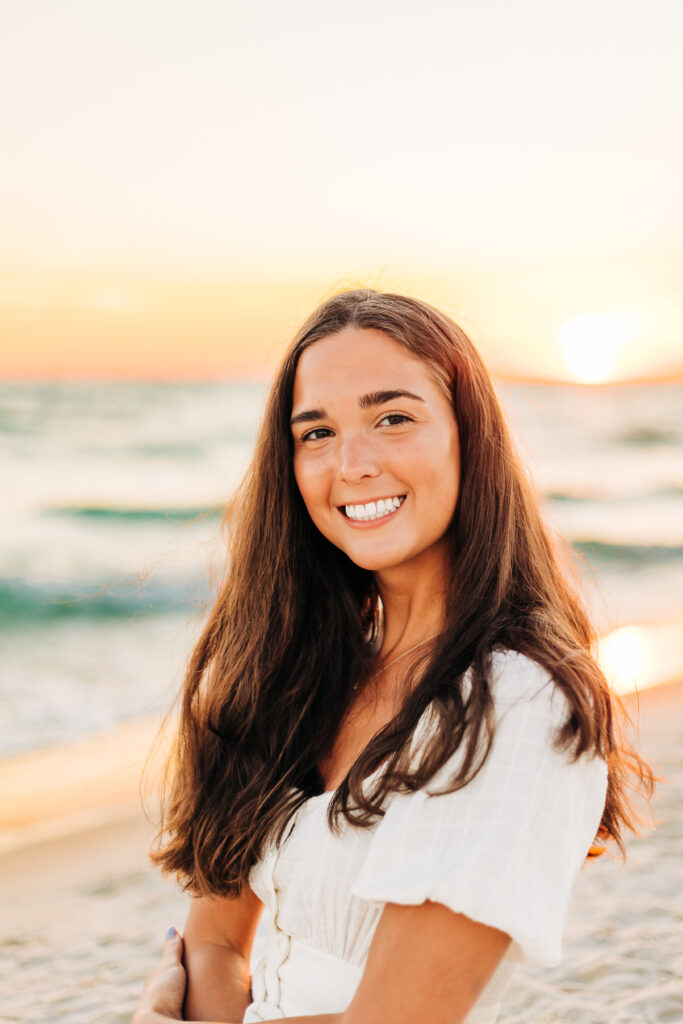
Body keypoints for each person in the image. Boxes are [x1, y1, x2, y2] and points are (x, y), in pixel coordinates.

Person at [134, 289, 655, 1024]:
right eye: (314, 433)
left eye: (392, 418)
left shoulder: (520, 703)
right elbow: (214, 944)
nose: (350, 463)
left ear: (467, 438)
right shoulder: (303, 681)